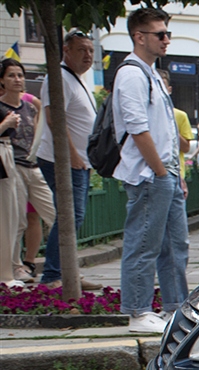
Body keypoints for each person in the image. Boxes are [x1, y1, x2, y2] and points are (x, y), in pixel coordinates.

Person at [112, 7, 188, 334]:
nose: (166, 39)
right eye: (160, 34)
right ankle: (139, 311)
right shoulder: (131, 74)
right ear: (139, 37)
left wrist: (173, 173)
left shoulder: (152, 73)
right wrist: (159, 171)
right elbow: (138, 128)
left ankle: (175, 308)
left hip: (165, 173)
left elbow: (166, 130)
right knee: (144, 243)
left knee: (175, 245)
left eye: (167, 33)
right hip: (148, 175)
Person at [36, 29, 101, 290]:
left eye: (90, 50)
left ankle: (68, 271)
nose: (87, 55)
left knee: (73, 218)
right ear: (66, 51)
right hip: (61, 160)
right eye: (81, 50)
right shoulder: (59, 77)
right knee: (69, 217)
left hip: (80, 161)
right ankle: (52, 275)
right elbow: (54, 118)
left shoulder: (77, 78)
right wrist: (72, 155)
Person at [0, 58, 55, 286]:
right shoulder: (1, 107)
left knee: (55, 214)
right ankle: (15, 268)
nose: (17, 80)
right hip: (12, 165)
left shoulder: (29, 106)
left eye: (20, 75)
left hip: (33, 166)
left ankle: (60, 265)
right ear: (2, 80)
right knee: (17, 220)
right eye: (11, 75)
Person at [157, 69, 193, 187]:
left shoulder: (180, 115)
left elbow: (186, 147)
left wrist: (171, 129)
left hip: (176, 172)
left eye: (163, 86)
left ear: (169, 90)